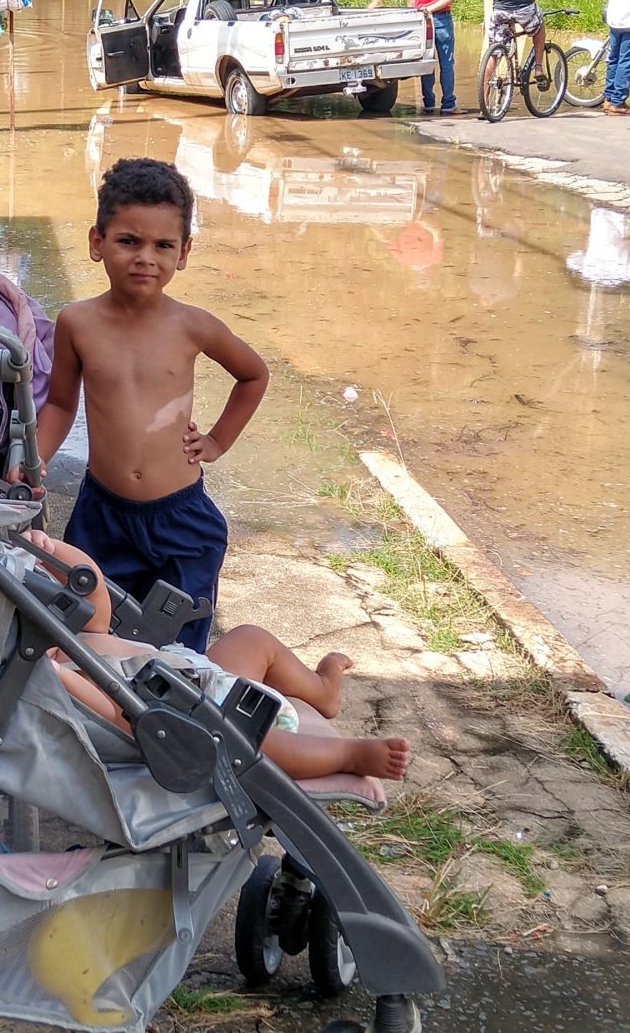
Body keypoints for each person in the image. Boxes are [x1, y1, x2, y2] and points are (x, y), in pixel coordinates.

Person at [36, 157, 268, 651]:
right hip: (101, 514)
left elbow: (252, 375)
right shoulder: (77, 322)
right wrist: (33, 461)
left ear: (183, 253)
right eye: (129, 241)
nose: (146, 257)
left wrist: (218, 440)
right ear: (97, 243)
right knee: (87, 632)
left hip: (181, 519)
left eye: (163, 245)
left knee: (177, 648)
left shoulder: (193, 325)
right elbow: (59, 405)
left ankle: (174, 721)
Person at [22, 531, 412, 784]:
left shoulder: (81, 637)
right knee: (253, 747)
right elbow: (112, 715)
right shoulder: (64, 681)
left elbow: (92, 591)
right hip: (203, 722)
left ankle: (323, 689)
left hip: (207, 676)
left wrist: (53, 551)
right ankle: (348, 755)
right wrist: (53, 672)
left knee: (250, 638)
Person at [373, 0, 465, 115]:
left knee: (427, 61)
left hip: (422, 21)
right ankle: (448, 104)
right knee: (447, 63)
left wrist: (376, 1)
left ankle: (428, 103)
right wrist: (430, 9)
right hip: (440, 19)